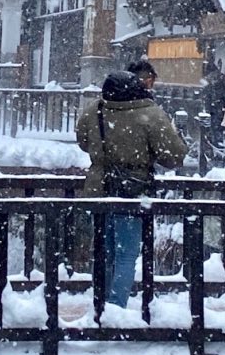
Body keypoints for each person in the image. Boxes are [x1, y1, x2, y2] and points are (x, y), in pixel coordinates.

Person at [76, 69, 188, 311]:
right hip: (133, 189)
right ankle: (115, 307)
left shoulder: (95, 110)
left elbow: (83, 140)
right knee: (126, 253)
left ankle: (100, 303)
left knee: (104, 250)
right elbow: (174, 156)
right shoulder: (150, 114)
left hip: (98, 188)